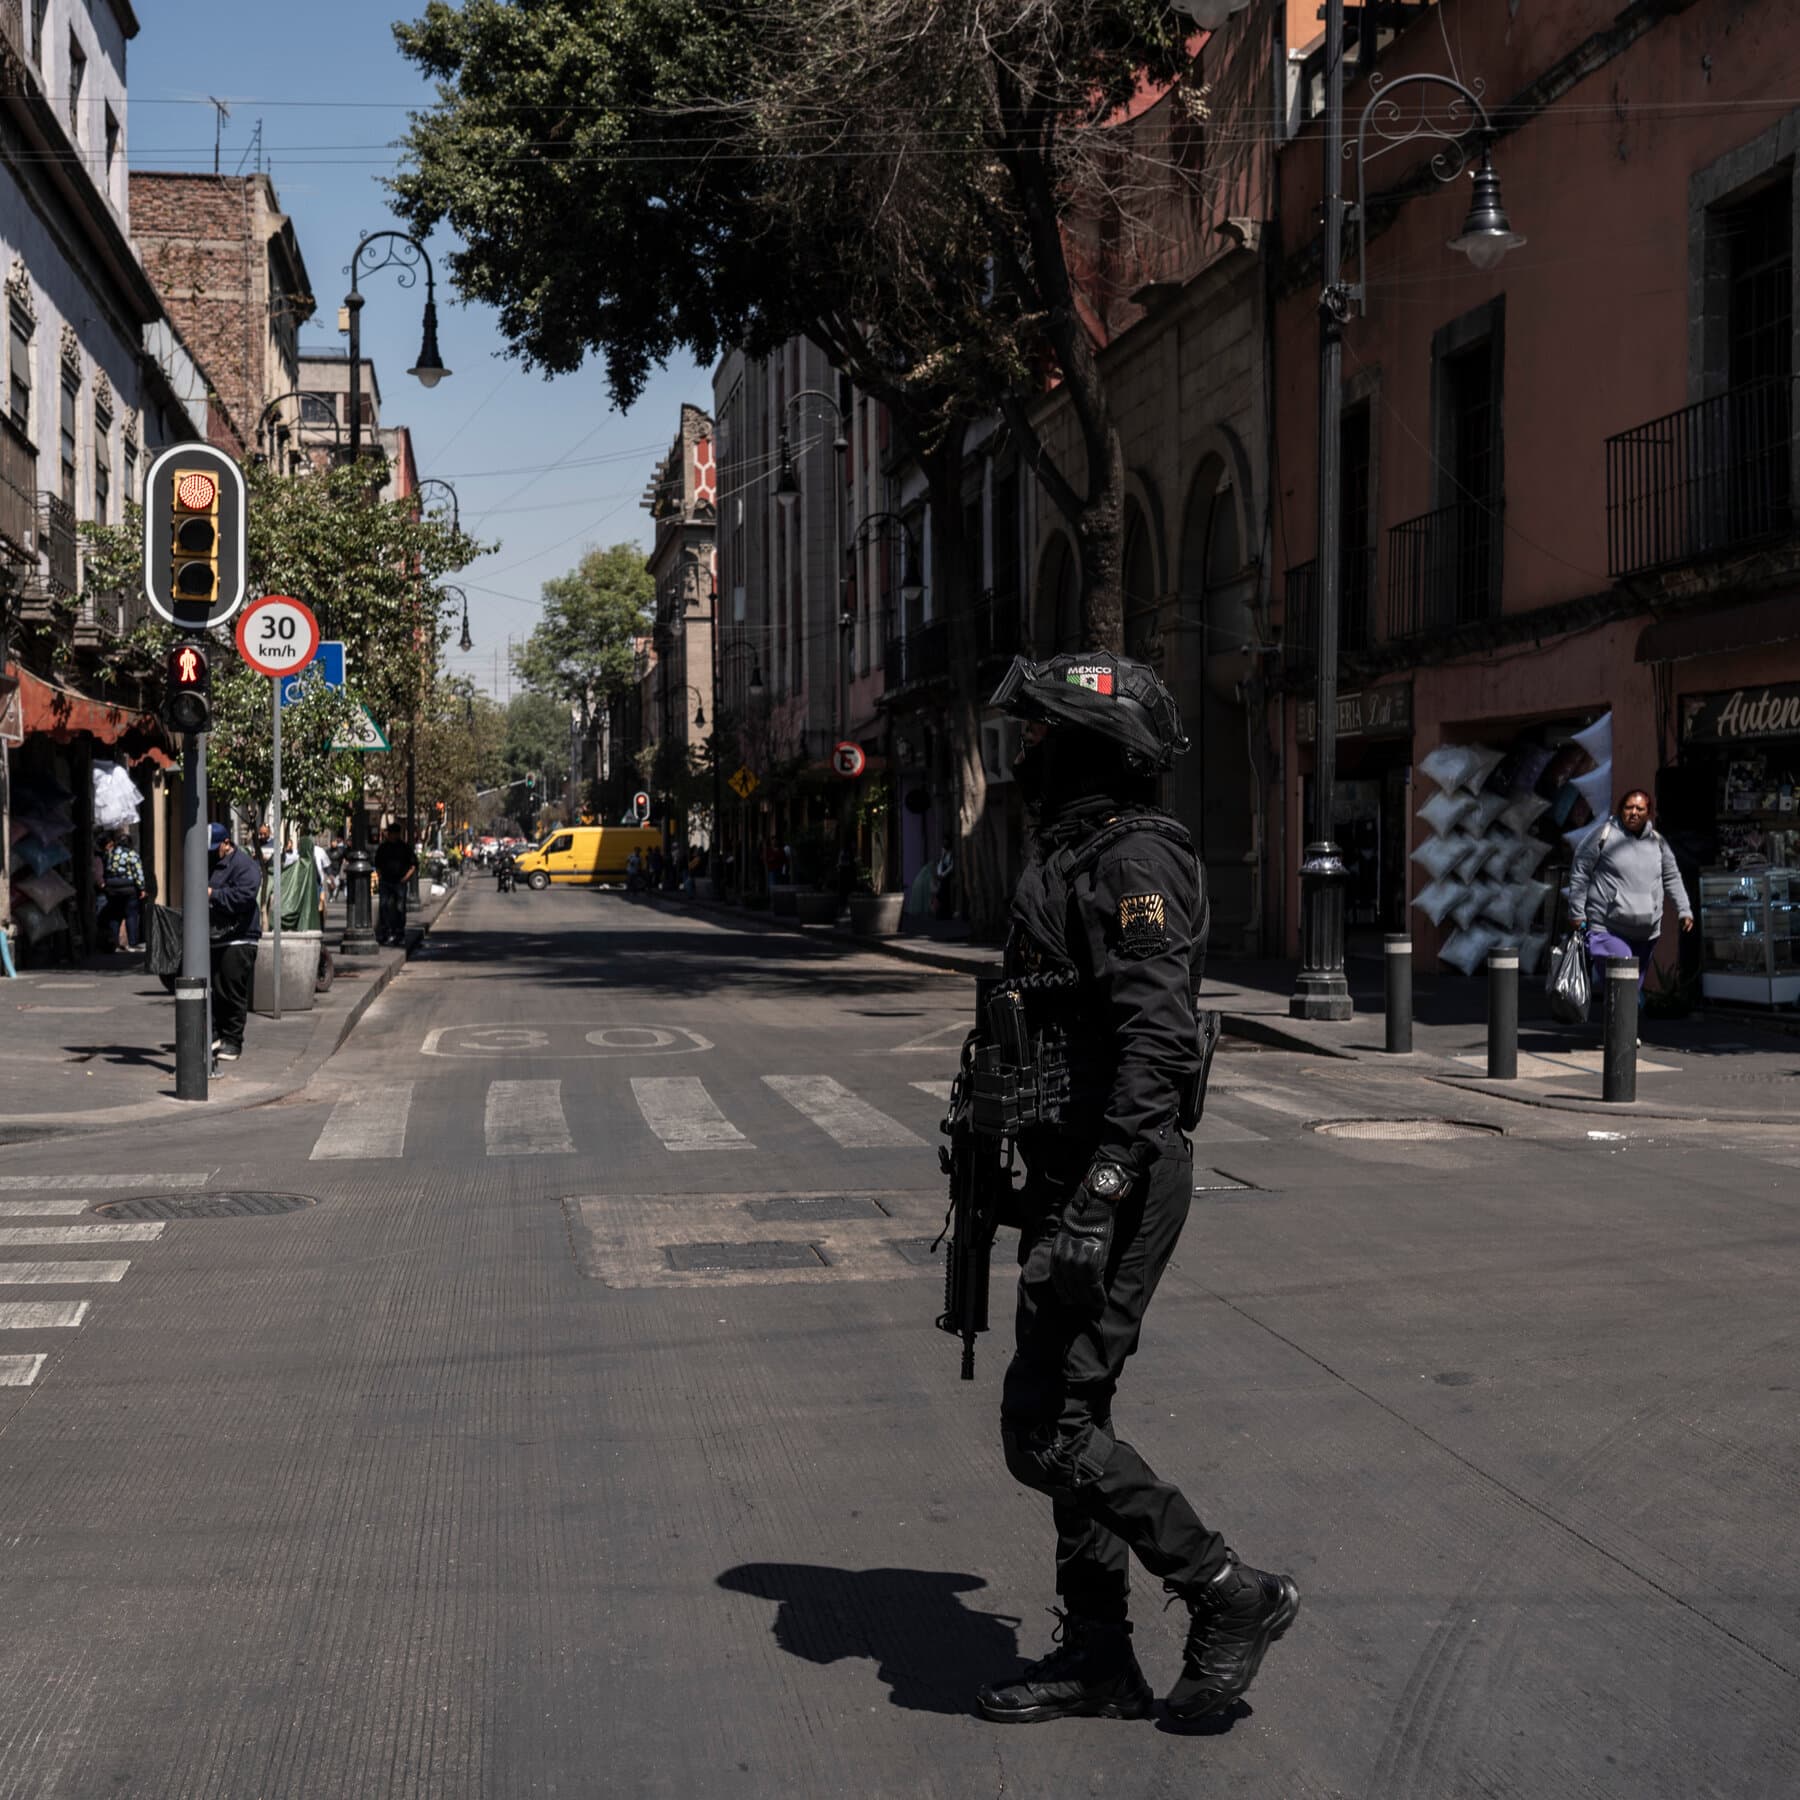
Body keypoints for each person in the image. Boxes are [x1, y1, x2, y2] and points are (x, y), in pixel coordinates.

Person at [971, 650, 1299, 1729]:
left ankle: (1227, 1591)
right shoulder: (1077, 859)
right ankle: (1099, 1656)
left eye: (1042, 737)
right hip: (1075, 1170)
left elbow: (1155, 1048)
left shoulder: (1135, 863)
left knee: (1047, 1429)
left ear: (1089, 752)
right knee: (1079, 1410)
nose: (1026, 756)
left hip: (1119, 1177)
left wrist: (1095, 1199)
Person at [1567, 787, 1694, 991]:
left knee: (1628, 991)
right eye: (1629, 807)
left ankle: (1623, 1018)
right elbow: (1580, 872)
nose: (1633, 812)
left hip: (1646, 932)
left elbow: (1672, 877)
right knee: (1623, 974)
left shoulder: (1658, 843)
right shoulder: (1602, 836)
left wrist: (1684, 910)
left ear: (1648, 813)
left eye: (1640, 809)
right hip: (1607, 927)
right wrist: (1577, 912)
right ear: (1620, 810)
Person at [206, 823, 260, 1063]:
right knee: (215, 990)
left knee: (232, 991)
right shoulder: (211, 862)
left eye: (215, 848)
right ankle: (217, 1034)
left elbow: (245, 896)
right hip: (216, 937)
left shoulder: (244, 865)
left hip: (239, 937)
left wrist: (213, 895)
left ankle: (233, 1041)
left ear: (227, 843)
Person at [101, 832, 147, 952]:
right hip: (128, 887)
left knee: (115, 915)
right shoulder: (132, 854)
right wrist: (142, 888)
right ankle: (132, 943)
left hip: (111, 887)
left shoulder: (110, 853)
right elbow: (138, 872)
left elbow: (105, 868)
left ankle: (114, 944)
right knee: (131, 914)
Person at [373, 823, 417, 947]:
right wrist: (380, 876)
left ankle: (399, 932)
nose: (392, 835)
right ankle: (386, 932)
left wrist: (405, 878)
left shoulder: (404, 848)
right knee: (383, 906)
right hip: (386, 882)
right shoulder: (383, 848)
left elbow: (413, 865)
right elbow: (377, 863)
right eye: (390, 833)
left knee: (399, 908)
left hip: (399, 882)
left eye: (394, 833)